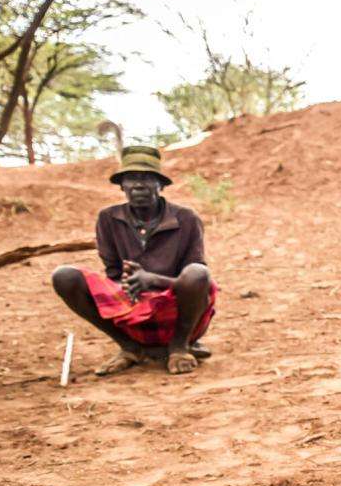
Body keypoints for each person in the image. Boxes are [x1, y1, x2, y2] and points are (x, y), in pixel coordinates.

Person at [50, 145, 217, 376]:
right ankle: (130, 347)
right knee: (64, 276)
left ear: (161, 185)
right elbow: (113, 273)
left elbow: (197, 279)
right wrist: (129, 283)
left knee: (198, 273)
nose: (139, 185)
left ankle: (179, 347)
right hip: (131, 306)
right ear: (121, 186)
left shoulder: (186, 218)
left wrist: (152, 280)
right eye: (131, 179)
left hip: (174, 305)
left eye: (147, 178)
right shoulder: (108, 218)